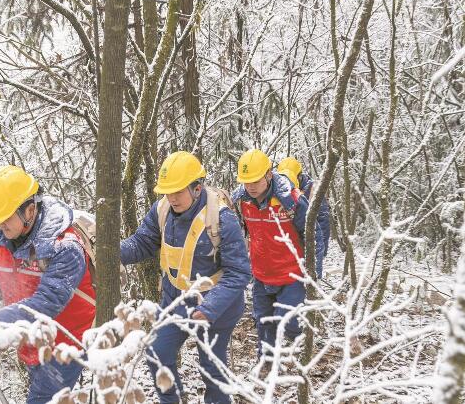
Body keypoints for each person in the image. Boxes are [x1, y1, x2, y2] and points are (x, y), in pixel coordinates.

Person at [120, 151, 251, 404]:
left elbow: (238, 273)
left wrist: (210, 308)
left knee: (212, 367)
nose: (172, 198)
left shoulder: (223, 219)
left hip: (217, 305)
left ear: (197, 188)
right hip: (175, 299)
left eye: (178, 192)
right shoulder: (162, 210)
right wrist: (112, 252)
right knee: (157, 353)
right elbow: (143, 242)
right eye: (168, 192)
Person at [0, 165, 95, 403]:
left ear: (30, 210)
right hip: (30, 341)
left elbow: (45, 304)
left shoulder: (65, 246)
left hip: (67, 341)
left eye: (5, 217)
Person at [232, 149, 324, 358]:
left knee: (290, 322)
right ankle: (267, 363)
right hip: (262, 274)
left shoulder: (291, 199)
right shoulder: (241, 200)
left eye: (255, 180)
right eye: (246, 182)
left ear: (268, 174)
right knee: (264, 322)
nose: (250, 186)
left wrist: (314, 273)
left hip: (292, 274)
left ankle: (303, 346)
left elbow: (314, 235)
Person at [277, 156, 331, 257]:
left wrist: (320, 252)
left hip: (309, 246)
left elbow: (323, 221)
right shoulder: (281, 190)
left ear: (299, 176)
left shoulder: (314, 191)